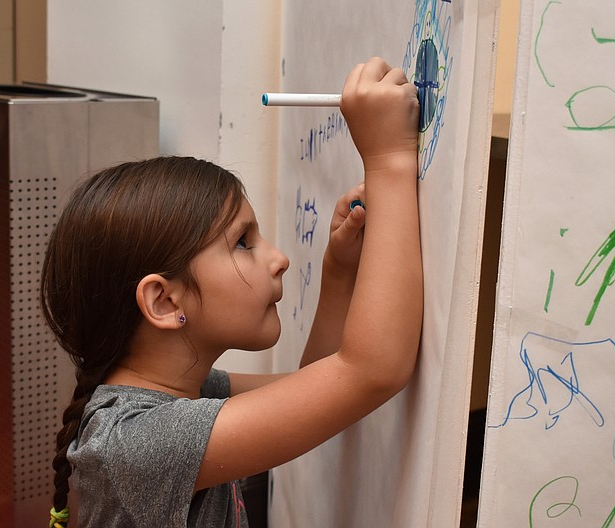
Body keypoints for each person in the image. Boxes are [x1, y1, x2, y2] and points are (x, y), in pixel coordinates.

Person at [42, 56, 423, 528]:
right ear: (164, 301)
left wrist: (340, 270)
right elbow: (371, 371)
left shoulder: (187, 390)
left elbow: (319, 382)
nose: (278, 258)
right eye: (243, 242)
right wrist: (389, 159)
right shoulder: (140, 441)